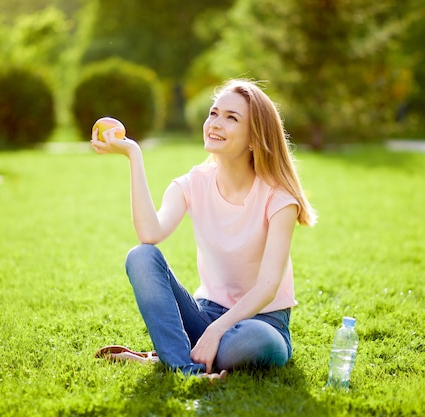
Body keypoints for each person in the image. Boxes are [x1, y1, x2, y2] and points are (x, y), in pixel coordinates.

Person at [91, 79, 317, 380]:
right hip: (204, 313)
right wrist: (134, 155)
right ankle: (188, 368)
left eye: (231, 118)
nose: (215, 123)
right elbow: (150, 234)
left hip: (262, 323)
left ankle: (170, 356)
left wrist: (218, 330)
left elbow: (267, 287)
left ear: (254, 138)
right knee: (141, 256)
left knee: (253, 342)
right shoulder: (193, 183)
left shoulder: (279, 198)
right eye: (213, 113)